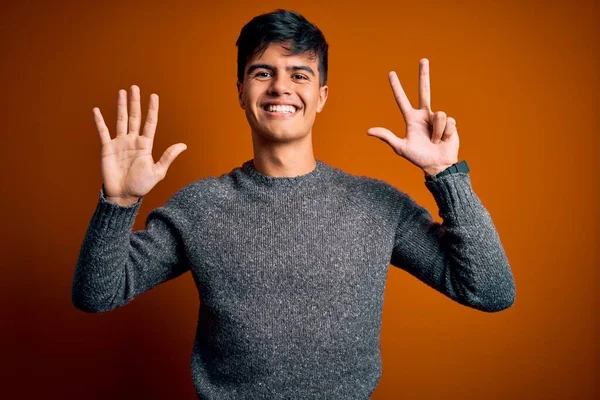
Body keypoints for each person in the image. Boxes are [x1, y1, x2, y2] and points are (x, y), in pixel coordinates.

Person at [72, 9, 516, 399]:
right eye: (262, 72)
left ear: (321, 95)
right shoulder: (200, 207)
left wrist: (446, 177)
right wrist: (119, 201)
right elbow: (98, 294)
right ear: (241, 90)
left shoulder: (376, 206)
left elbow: (490, 291)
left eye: (300, 74)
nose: (280, 87)